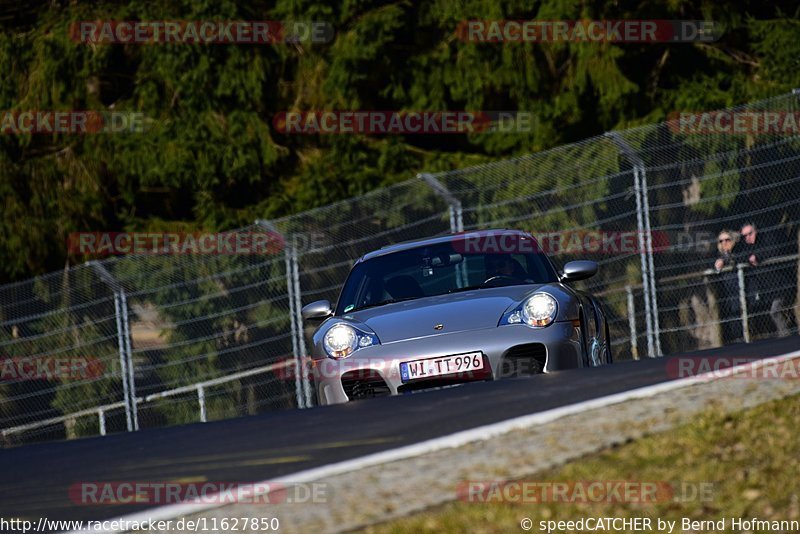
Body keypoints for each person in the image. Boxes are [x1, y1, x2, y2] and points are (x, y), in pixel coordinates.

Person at [737, 222, 793, 337]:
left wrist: (757, 256)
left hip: (781, 284)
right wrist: (749, 258)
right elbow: (740, 256)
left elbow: (774, 250)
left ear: (755, 231)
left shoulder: (767, 238)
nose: (748, 237)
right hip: (766, 289)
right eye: (745, 236)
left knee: (775, 311)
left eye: (750, 234)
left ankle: (786, 337)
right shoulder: (746, 247)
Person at [713, 230, 743, 343]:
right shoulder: (716, 257)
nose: (724, 243)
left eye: (727, 240)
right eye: (721, 241)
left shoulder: (739, 251)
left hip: (741, 291)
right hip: (727, 296)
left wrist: (725, 259)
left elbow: (739, 259)